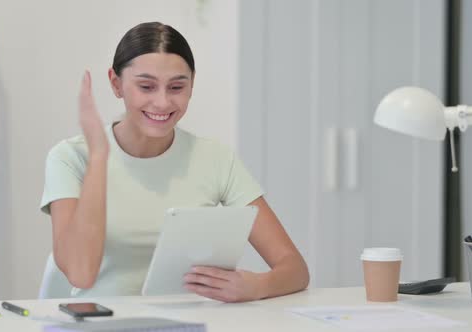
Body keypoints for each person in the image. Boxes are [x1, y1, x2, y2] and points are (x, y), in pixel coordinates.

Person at [40, 22, 309, 303]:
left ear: (192, 84)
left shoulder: (216, 159)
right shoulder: (70, 158)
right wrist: (98, 156)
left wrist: (257, 286)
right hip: (101, 321)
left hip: (186, 320)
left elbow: (295, 269)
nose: (162, 102)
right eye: (146, 86)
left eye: (177, 87)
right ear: (116, 83)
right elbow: (80, 275)